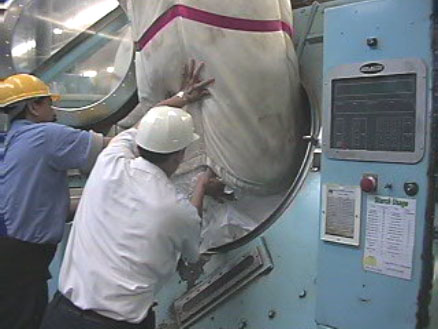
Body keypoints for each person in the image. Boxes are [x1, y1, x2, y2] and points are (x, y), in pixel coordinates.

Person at [40, 60, 221, 329]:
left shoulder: (110, 160)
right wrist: (202, 186)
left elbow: (142, 125)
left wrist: (182, 96)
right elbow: (193, 250)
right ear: (181, 154)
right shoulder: (176, 210)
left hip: (63, 314)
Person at [0, 74, 108, 329]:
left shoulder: (9, 142)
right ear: (34, 107)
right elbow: (120, 146)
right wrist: (173, 104)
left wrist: (100, 200)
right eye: (49, 103)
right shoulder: (47, 136)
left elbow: (40, 208)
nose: (54, 111)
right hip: (22, 266)